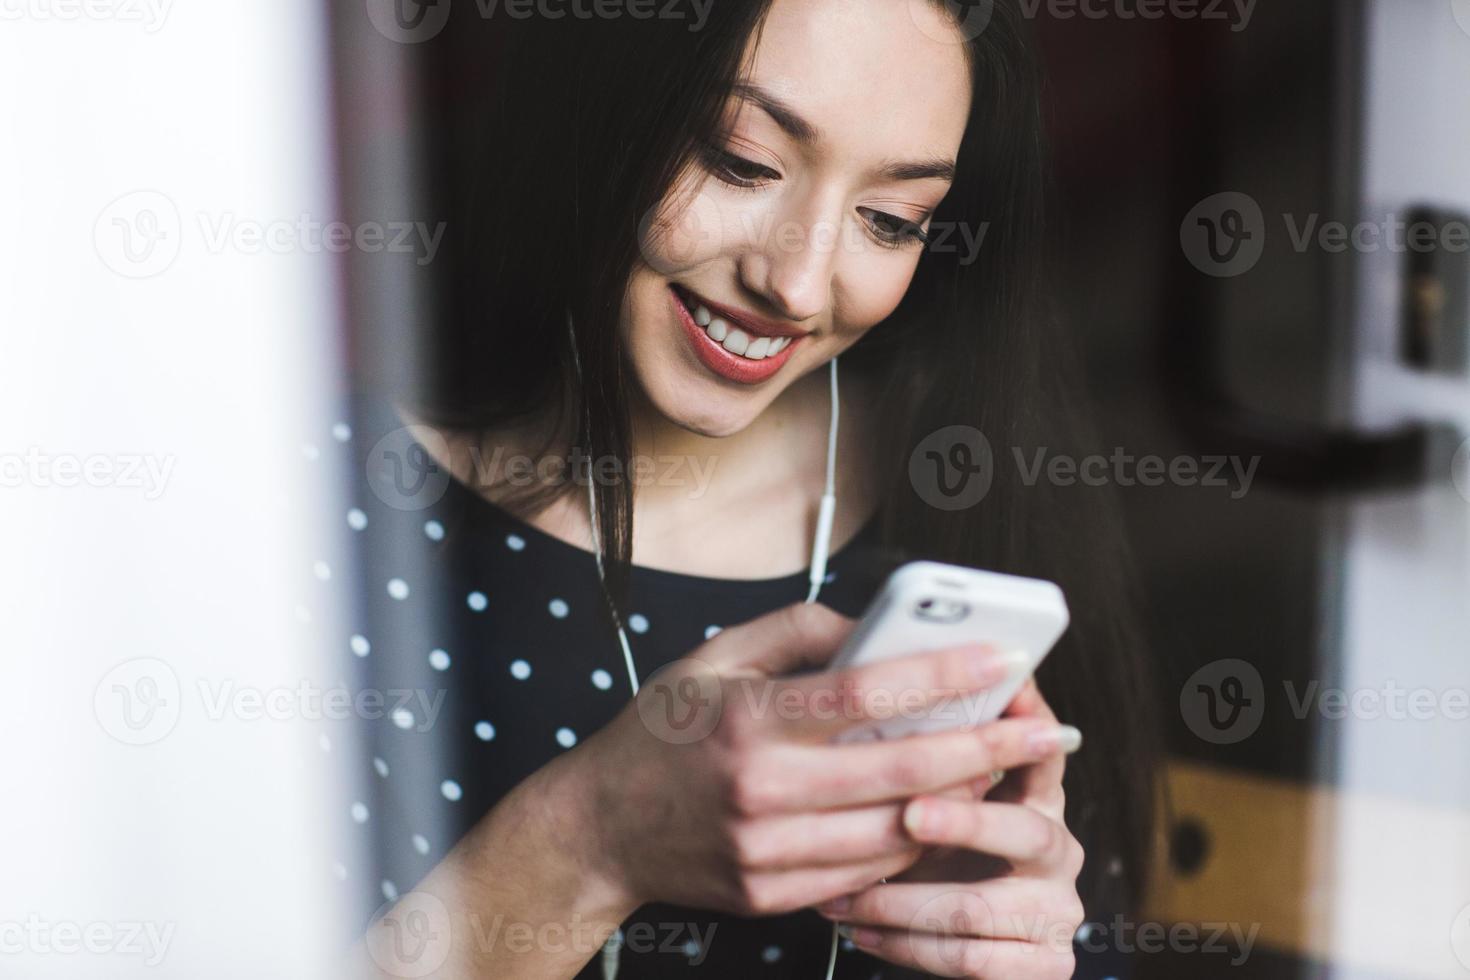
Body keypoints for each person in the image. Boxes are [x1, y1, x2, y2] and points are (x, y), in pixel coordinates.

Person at [331, 0, 1158, 976]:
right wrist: (591, 837)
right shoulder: (328, 509)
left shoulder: (973, 498)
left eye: (891, 220)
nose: (799, 285)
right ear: (596, 95)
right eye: (739, 161)